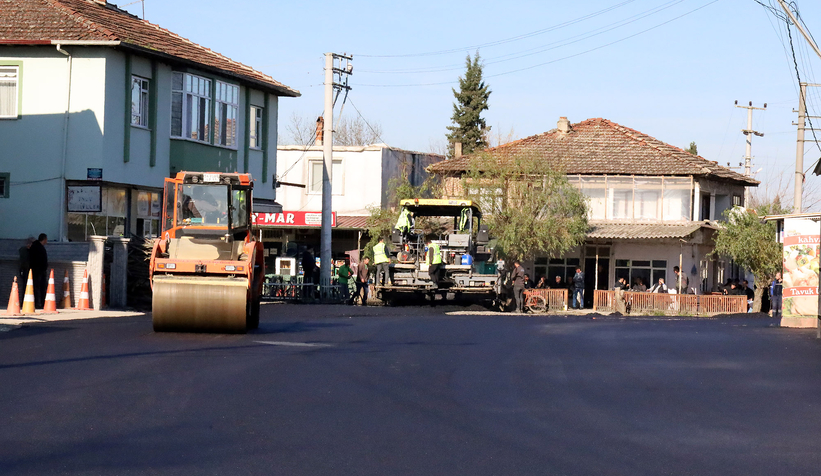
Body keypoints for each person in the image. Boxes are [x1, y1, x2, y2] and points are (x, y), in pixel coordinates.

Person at [28, 233, 48, 308]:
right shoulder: (39, 248)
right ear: (44, 239)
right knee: (40, 287)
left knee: (37, 287)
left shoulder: (34, 247)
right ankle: (39, 303)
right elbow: (40, 260)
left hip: (36, 270)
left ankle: (38, 302)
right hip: (39, 270)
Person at [18, 236, 34, 304]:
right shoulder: (28, 251)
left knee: (25, 286)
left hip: (24, 270)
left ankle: (23, 301)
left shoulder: (22, 250)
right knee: (28, 287)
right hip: (28, 270)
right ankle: (26, 302)